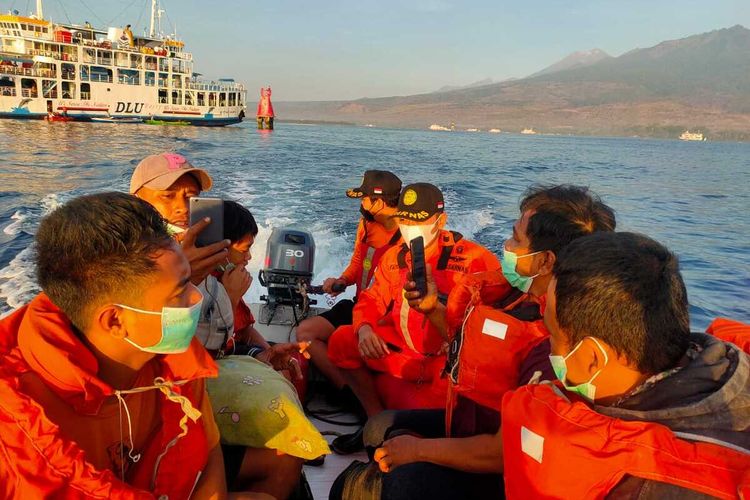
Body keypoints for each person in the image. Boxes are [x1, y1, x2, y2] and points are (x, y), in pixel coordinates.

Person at [332, 185, 617, 498]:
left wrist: (419, 450)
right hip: (467, 418)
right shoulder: (512, 295)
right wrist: (432, 309)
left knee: (398, 481)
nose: (506, 246)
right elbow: (471, 345)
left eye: (516, 239)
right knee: (380, 430)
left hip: (501, 466)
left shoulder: (558, 344)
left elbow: (507, 451)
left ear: (546, 261)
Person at [0, 192, 228, 498]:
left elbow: (208, 452)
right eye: (181, 289)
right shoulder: (20, 427)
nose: (197, 297)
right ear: (115, 322)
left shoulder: (175, 360)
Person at [501, 231, 750, 498]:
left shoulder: (647, 487)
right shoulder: (722, 371)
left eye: (551, 333)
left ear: (593, 358)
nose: (548, 345)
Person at [131, 156, 306, 499]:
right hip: (156, 410)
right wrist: (189, 282)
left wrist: (261, 352)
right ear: (138, 201)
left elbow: (223, 343)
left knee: (287, 453)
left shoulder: (202, 261)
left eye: (191, 195)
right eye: (167, 195)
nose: (181, 206)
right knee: (284, 458)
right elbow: (159, 351)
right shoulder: (129, 266)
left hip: (190, 400)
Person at [327, 182, 500, 453]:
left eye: (418, 220)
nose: (410, 227)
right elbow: (371, 299)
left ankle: (393, 426)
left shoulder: (476, 260)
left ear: (440, 220)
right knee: (341, 340)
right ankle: (373, 418)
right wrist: (364, 329)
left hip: (443, 365)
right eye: (404, 220)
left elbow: (491, 326)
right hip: (403, 351)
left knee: (425, 417)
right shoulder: (394, 258)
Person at [296, 170, 402, 397]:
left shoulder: (408, 237)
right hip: (359, 306)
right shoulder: (366, 224)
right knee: (305, 332)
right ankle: (348, 392)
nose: (362, 203)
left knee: (343, 340)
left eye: (364, 198)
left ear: (380, 203)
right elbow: (358, 263)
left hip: (387, 317)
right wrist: (342, 280)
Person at [131, 152, 230, 285]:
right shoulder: (121, 252)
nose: (183, 208)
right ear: (135, 200)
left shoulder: (200, 249)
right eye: (167, 196)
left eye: (190, 197)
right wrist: (184, 273)